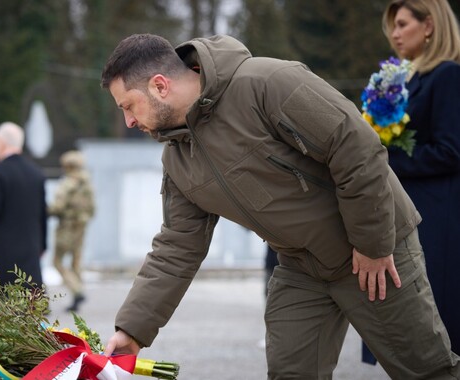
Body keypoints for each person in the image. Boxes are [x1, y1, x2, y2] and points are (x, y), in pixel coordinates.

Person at [99, 33, 460, 379]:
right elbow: (177, 246)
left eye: (129, 106)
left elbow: (356, 148)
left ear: (160, 86)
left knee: (426, 371)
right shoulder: (178, 159)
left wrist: (372, 244)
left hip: (373, 250)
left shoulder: (268, 83)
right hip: (302, 268)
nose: (129, 121)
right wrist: (132, 330)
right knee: (291, 373)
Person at [384, 0, 460, 352]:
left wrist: (384, 160)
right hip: (410, 210)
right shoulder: (402, 77)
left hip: (437, 216)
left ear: (428, 25)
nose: (394, 34)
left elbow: (451, 151)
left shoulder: (447, 74)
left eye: (402, 24)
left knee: (436, 328)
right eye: (393, 26)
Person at [0, 121, 48, 288]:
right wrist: (42, 245)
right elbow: (42, 213)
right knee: (28, 305)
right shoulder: (36, 173)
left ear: (2, 143)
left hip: (2, 253)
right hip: (29, 252)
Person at [48, 150, 95, 312]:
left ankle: (77, 291)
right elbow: (92, 208)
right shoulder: (87, 184)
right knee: (76, 261)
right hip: (81, 226)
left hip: (66, 227)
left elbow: (58, 207)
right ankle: (77, 297)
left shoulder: (68, 184)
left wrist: (46, 210)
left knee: (57, 261)